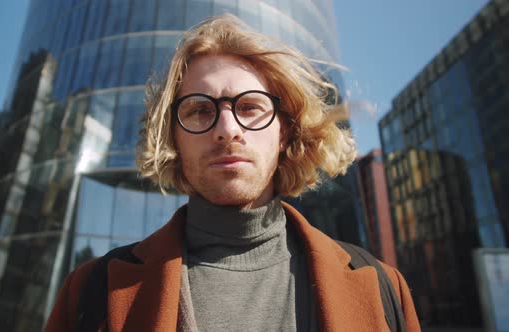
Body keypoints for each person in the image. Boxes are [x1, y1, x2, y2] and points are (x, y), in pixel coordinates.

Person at [45, 14, 420, 332]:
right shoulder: (89, 292)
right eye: (199, 110)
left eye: (250, 107)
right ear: (172, 135)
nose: (227, 128)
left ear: (284, 130)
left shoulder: (385, 289)